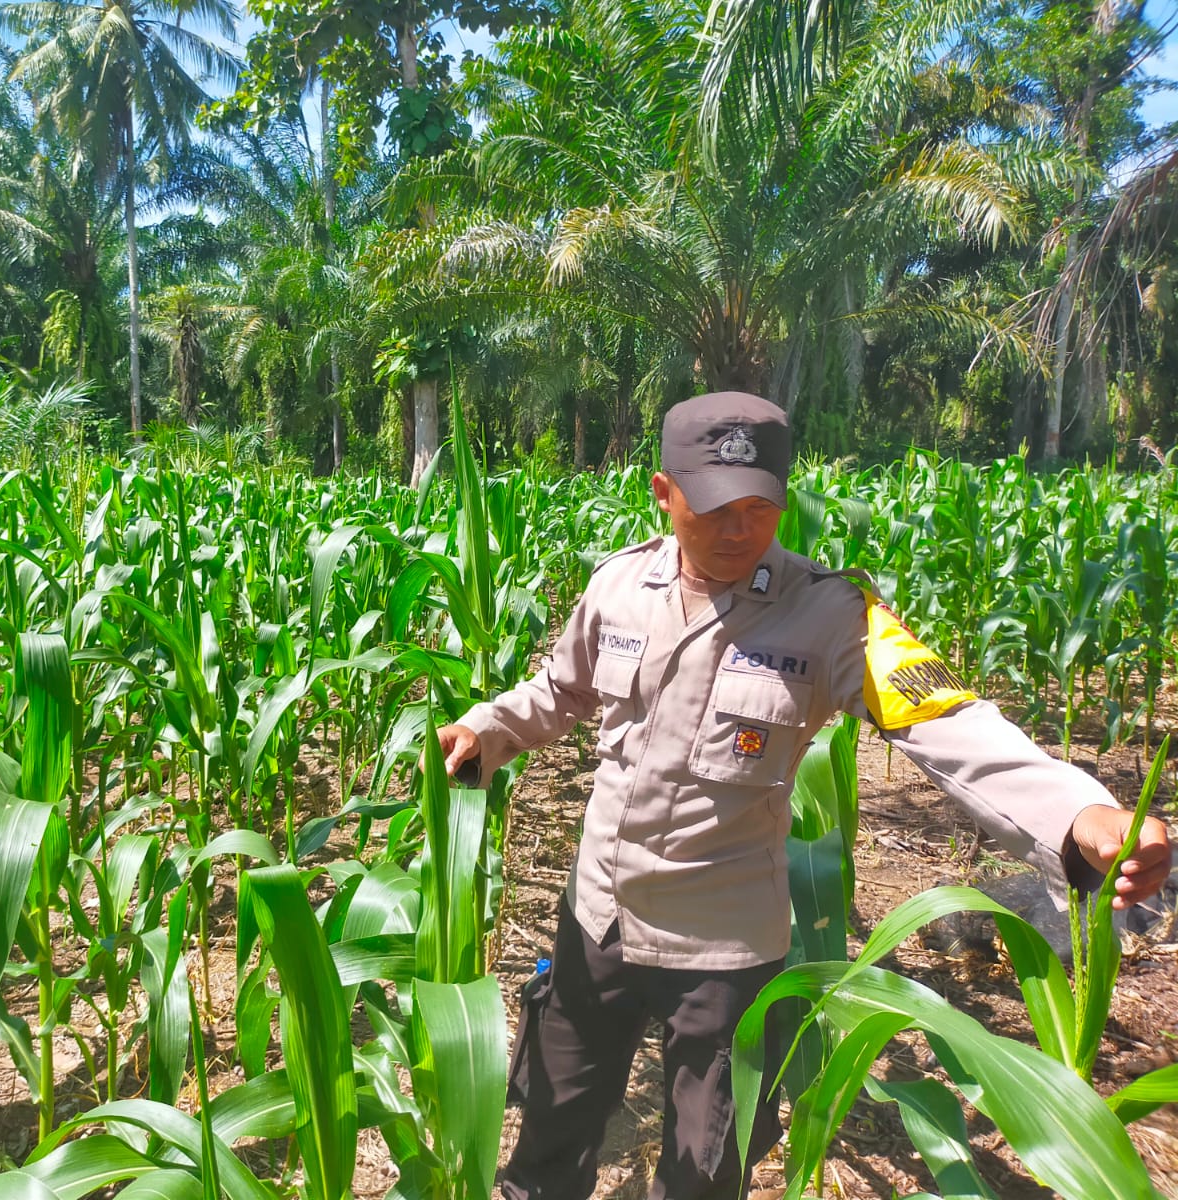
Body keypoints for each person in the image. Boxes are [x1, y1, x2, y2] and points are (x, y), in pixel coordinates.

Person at [436, 391, 1172, 1200]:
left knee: (707, 1171)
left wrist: (1077, 813)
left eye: (761, 508)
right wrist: (486, 730)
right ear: (662, 491)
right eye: (714, 508)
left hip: (721, 956)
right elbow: (559, 689)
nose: (738, 530)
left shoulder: (831, 617)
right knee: (548, 1139)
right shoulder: (618, 588)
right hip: (597, 922)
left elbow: (952, 724)